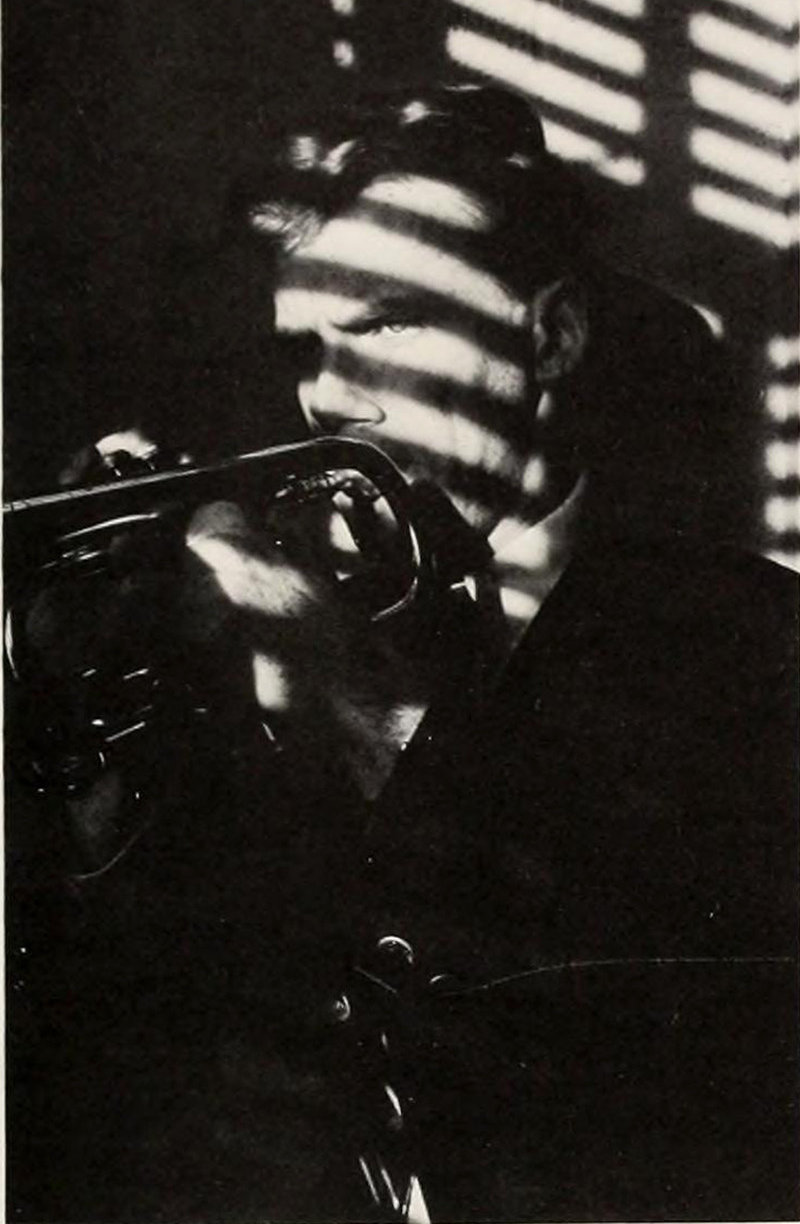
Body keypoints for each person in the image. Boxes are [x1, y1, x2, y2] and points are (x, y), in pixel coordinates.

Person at [7, 84, 798, 1223]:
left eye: (384, 324)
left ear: (550, 336)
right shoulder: (260, 625)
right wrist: (78, 736)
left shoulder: (746, 637)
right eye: (305, 348)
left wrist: (346, 695)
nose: (331, 396)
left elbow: (640, 1037)